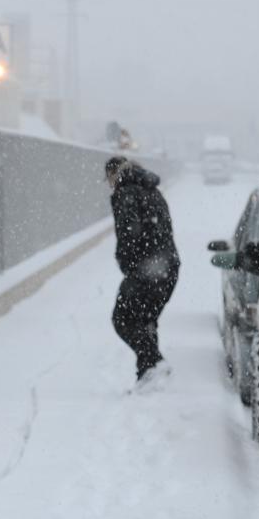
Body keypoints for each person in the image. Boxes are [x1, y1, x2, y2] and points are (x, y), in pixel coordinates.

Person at [105, 156, 180, 388]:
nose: (109, 185)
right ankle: (148, 378)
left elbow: (129, 234)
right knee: (145, 320)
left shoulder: (126, 192)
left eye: (108, 179)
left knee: (123, 318)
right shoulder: (152, 190)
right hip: (168, 266)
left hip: (148, 269)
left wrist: (127, 263)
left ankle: (155, 364)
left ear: (114, 175)